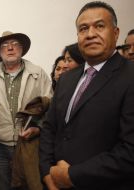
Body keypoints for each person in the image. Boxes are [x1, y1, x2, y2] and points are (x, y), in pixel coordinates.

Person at [39, 1, 134, 190]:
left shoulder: (129, 76)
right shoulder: (66, 79)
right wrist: (47, 174)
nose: (90, 34)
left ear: (115, 33)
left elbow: (130, 149)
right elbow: (50, 129)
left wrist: (71, 175)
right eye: (83, 28)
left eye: (99, 26)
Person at [0, 31, 51, 190]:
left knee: (33, 185)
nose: (10, 48)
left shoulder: (37, 73)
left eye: (15, 44)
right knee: (5, 186)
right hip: (1, 148)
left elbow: (50, 106)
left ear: (22, 49)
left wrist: (39, 128)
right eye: (4, 46)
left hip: (31, 145)